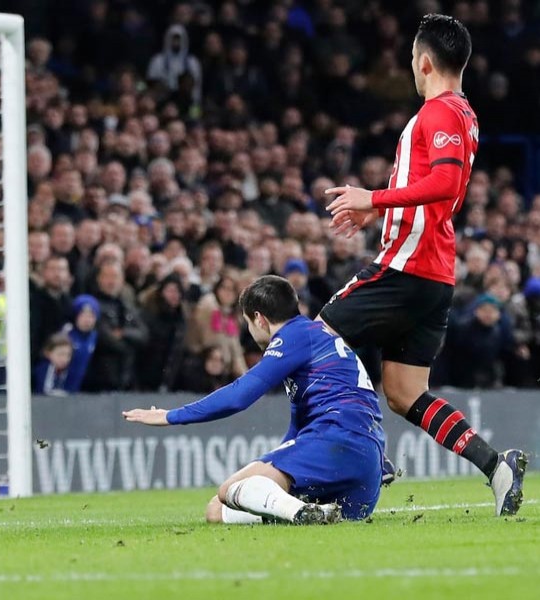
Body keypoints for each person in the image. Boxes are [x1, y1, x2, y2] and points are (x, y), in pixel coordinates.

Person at [320, 14, 526, 516]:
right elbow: (432, 191)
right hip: (434, 273)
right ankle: (495, 465)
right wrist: (377, 207)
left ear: (426, 61)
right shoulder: (463, 113)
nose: (412, 68)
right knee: (404, 391)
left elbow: (446, 184)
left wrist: (374, 195)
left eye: (413, 60)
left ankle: (366, 455)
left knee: (317, 336)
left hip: (406, 268)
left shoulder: (439, 113)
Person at [124, 275, 385, 525]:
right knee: (216, 511)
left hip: (335, 439)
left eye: (247, 323)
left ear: (259, 319)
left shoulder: (292, 336)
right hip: (369, 460)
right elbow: (300, 428)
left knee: (229, 490)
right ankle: (309, 512)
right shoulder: (318, 336)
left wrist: (170, 416)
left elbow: (239, 395)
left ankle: (299, 513)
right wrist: (272, 462)